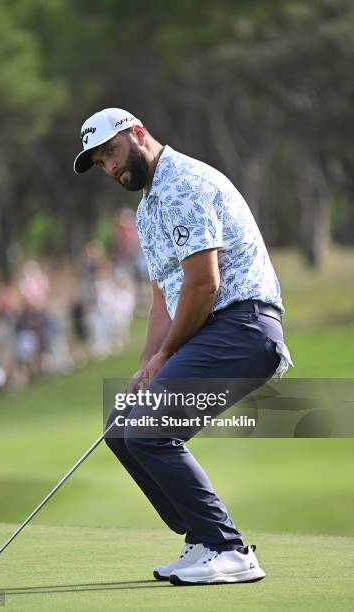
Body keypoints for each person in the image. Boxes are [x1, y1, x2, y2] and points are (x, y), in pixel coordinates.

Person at [73, 108, 293, 586]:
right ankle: (199, 537)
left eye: (111, 152)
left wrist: (167, 354)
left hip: (243, 326)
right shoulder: (148, 206)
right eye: (100, 163)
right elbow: (163, 297)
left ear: (137, 134)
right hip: (214, 329)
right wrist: (145, 365)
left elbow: (203, 285)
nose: (111, 168)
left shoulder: (183, 183)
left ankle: (227, 548)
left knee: (150, 430)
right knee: (123, 424)